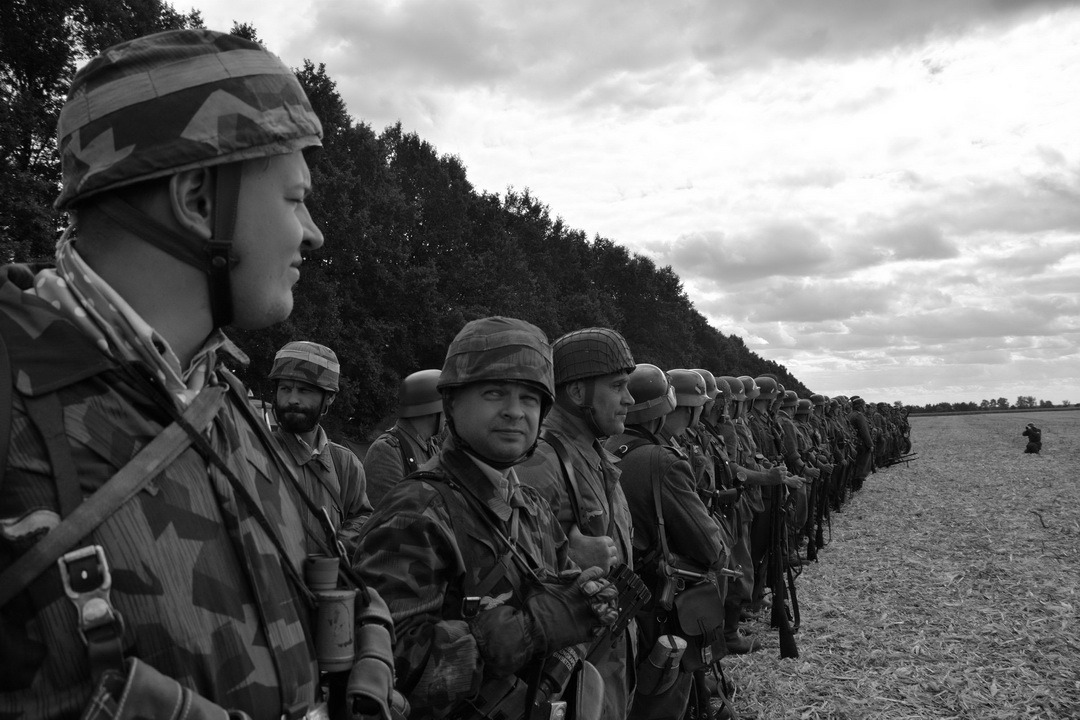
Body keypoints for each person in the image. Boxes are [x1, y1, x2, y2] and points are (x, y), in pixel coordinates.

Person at [0, 29, 397, 720]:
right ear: (197, 198)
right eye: (294, 198)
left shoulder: (224, 402)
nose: (313, 232)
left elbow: (333, 596)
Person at [353, 317, 619, 720]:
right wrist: (529, 630)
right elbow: (391, 669)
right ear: (452, 404)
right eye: (494, 394)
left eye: (529, 399)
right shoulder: (416, 512)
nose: (514, 412)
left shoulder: (531, 506)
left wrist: (585, 600)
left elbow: (562, 596)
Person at [517, 327, 637, 720]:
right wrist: (568, 557)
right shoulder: (541, 462)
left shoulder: (592, 454)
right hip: (572, 670)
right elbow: (505, 575)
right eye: (617, 386)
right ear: (577, 392)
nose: (629, 399)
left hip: (606, 652)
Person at [605, 364, 726, 720]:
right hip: (657, 601)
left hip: (617, 598)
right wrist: (719, 553)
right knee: (663, 698)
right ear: (665, 410)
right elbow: (709, 547)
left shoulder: (607, 447)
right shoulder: (662, 460)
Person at [270, 340, 373, 558]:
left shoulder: (345, 463)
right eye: (285, 389)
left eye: (304, 390)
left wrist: (339, 547)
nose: (292, 399)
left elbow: (361, 516)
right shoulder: (259, 450)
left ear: (330, 397)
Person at [364, 368, 443, 508]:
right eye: (446, 407)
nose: (450, 414)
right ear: (431, 409)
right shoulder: (386, 451)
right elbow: (388, 515)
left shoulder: (432, 448)